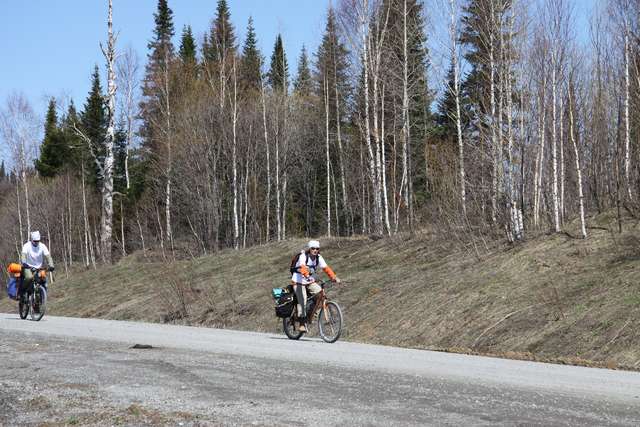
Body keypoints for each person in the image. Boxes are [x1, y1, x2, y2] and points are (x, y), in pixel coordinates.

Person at [290, 240, 340, 332]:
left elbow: (326, 268)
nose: (315, 250)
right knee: (302, 300)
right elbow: (303, 268)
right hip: (298, 281)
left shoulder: (318, 257)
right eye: (313, 248)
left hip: (309, 281)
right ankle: (301, 324)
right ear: (309, 249)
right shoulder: (303, 256)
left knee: (321, 295)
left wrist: (333, 277)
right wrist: (307, 276)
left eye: (317, 248)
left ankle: (311, 314)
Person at [19, 231, 54, 301]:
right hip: (28, 267)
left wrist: (51, 265)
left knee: (43, 280)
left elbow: (48, 256)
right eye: (35, 241)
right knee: (29, 277)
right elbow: (23, 255)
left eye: (38, 241)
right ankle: (22, 292)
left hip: (39, 268)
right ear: (31, 240)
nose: (36, 242)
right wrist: (24, 263)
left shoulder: (42, 246)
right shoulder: (27, 245)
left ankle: (42, 299)